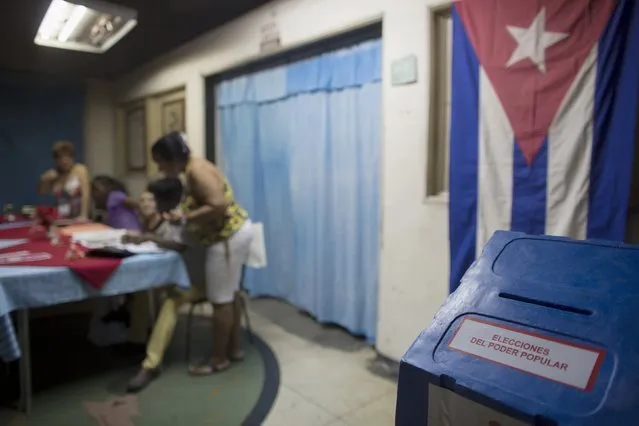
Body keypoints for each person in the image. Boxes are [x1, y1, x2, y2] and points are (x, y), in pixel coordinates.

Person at [151, 131, 253, 376]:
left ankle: (218, 359)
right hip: (231, 235)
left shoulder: (196, 171)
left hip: (226, 238)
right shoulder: (193, 168)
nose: (160, 169)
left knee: (221, 300)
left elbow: (219, 205)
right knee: (230, 294)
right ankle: (235, 348)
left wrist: (185, 217)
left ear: (173, 157)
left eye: (161, 162)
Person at [125, 178, 209, 392]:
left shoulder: (186, 216)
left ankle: (151, 364)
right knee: (145, 289)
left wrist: (148, 237)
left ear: (166, 200)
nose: (152, 204)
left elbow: (180, 245)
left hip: (199, 279)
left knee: (170, 302)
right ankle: (138, 341)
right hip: (178, 275)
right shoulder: (173, 215)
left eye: (154, 200)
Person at [38, 140, 90, 220]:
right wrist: (44, 180)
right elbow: (42, 192)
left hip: (79, 217)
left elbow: (85, 195)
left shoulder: (80, 170)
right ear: (56, 160)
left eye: (68, 157)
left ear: (72, 157)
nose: (64, 161)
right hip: (61, 218)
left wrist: (84, 215)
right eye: (61, 158)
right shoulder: (54, 174)